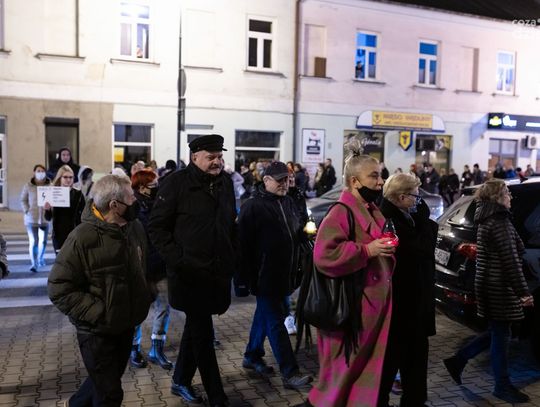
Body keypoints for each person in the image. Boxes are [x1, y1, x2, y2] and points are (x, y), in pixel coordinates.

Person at [47, 174, 152, 406]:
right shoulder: (81, 238)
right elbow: (58, 288)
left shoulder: (134, 227)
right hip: (96, 332)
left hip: (125, 324)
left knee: (104, 381)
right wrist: (100, 312)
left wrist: (145, 294)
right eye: (131, 197)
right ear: (114, 205)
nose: (136, 200)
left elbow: (142, 265)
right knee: (110, 394)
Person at [149, 134, 236, 407]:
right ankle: (217, 396)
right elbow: (157, 228)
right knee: (203, 335)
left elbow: (229, 224)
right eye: (211, 157)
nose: (217, 162)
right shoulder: (175, 183)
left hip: (217, 273)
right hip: (189, 275)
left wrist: (232, 258)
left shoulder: (225, 183)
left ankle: (180, 380)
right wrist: (179, 259)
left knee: (195, 330)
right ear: (194, 157)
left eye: (220, 156)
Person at [305, 141, 395, 406]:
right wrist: (367, 250)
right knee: (339, 374)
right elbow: (324, 255)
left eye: (380, 175)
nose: (381, 182)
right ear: (355, 181)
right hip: (350, 309)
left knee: (359, 371)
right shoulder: (340, 212)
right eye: (374, 176)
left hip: (368, 308)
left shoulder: (371, 209)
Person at [443, 179, 533, 403]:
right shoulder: (499, 222)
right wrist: (523, 292)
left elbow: (511, 250)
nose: (510, 197)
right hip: (498, 287)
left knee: (498, 332)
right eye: (507, 193)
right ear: (498, 197)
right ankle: (501, 386)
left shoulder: (488, 218)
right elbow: (511, 261)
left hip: (489, 284)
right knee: (501, 336)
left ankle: (458, 360)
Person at [236, 161, 312, 389]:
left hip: (285, 275)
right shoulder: (252, 207)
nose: (284, 184)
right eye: (279, 180)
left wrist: (306, 234)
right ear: (266, 180)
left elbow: (296, 233)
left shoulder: (288, 202)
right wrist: (243, 280)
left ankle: (252, 355)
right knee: (276, 322)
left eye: (287, 180)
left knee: (265, 316)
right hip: (265, 277)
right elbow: (242, 247)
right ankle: (290, 373)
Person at [378, 173, 438, 406]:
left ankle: (414, 400)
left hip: (413, 304)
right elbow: (420, 251)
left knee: (414, 359)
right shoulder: (390, 221)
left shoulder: (403, 216)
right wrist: (425, 222)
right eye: (415, 195)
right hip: (402, 305)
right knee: (393, 361)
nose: (418, 201)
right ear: (401, 197)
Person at [129, 169, 173, 370]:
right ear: (141, 187)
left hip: (161, 266)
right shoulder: (131, 208)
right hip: (141, 270)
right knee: (138, 311)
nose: (157, 188)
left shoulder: (160, 205)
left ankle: (157, 348)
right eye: (153, 185)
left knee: (164, 305)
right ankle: (134, 348)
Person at [44, 165, 85, 254]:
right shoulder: (53, 193)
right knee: (60, 260)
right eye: (65, 177)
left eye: (71, 177)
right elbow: (48, 218)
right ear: (60, 178)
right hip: (58, 234)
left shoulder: (78, 194)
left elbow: (84, 214)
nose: (68, 179)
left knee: (73, 259)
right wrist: (47, 209)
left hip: (74, 233)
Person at [20, 164, 51, 272]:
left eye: (42, 171)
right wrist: (26, 210)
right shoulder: (28, 186)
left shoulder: (50, 186)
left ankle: (40, 258)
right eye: (38, 171)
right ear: (34, 172)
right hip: (31, 218)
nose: (40, 173)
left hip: (45, 219)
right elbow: (23, 199)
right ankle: (34, 263)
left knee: (43, 242)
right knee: (34, 241)